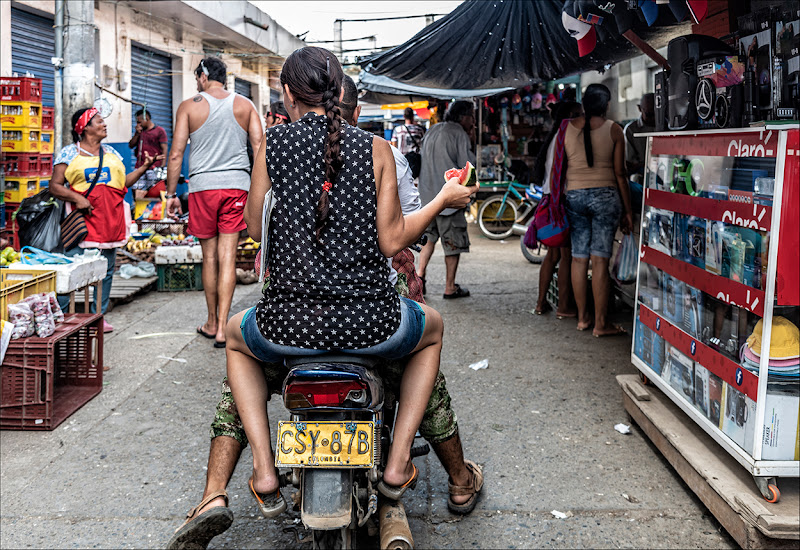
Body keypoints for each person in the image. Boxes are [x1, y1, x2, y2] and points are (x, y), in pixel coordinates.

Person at [165, 74, 483, 550]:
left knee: (234, 339)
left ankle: (260, 473)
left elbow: (253, 226)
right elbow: (394, 241)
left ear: (290, 95)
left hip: (286, 325)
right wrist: (444, 199)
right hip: (370, 323)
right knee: (432, 331)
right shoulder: (375, 148)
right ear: (342, 98)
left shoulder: (274, 144)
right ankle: (398, 465)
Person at [165, 57, 264, 348]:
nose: (197, 82)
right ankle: (223, 328)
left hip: (202, 188)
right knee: (228, 257)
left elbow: (176, 153)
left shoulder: (188, 106)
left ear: (204, 75)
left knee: (209, 257)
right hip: (236, 187)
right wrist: (260, 190)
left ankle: (211, 322)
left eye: (198, 76)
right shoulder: (245, 105)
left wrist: (171, 195)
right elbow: (259, 147)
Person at [51, 107, 161, 332]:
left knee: (106, 272)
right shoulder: (69, 154)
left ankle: (97, 316)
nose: (104, 125)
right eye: (99, 121)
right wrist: (77, 198)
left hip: (111, 221)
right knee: (71, 269)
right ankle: (63, 317)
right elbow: (54, 186)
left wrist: (144, 167)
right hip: (81, 224)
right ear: (84, 127)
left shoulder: (111, 153)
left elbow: (124, 183)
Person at [564, 84, 633, 337]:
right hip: (605, 196)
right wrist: (627, 210)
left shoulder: (568, 128)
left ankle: (583, 319)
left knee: (579, 258)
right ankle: (600, 324)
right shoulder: (614, 129)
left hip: (574, 196)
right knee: (600, 259)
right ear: (606, 104)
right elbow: (620, 174)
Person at [416, 100, 477, 299]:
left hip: (427, 198)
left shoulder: (432, 130)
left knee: (428, 240)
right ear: (464, 117)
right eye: (472, 116)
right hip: (449, 202)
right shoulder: (459, 133)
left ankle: (420, 278)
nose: (473, 121)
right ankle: (450, 287)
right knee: (452, 244)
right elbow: (469, 166)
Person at [533, 101, 583, 317]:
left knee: (553, 255)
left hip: (549, 198)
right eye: (580, 115)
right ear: (571, 115)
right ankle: (564, 306)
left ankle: (540, 303)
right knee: (565, 255)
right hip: (559, 201)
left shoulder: (554, 136)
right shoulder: (565, 135)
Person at [128, 108, 169, 200]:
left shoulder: (159, 131)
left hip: (154, 167)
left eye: (139, 122)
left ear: (146, 118)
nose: (138, 124)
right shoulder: (140, 132)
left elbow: (164, 149)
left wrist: (161, 168)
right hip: (140, 167)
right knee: (137, 190)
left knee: (154, 192)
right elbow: (131, 145)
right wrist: (137, 134)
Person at [623, 93, 655, 179]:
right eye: (649, 114)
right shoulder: (631, 129)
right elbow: (630, 163)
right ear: (640, 108)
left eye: (656, 114)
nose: (653, 118)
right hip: (641, 172)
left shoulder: (667, 126)